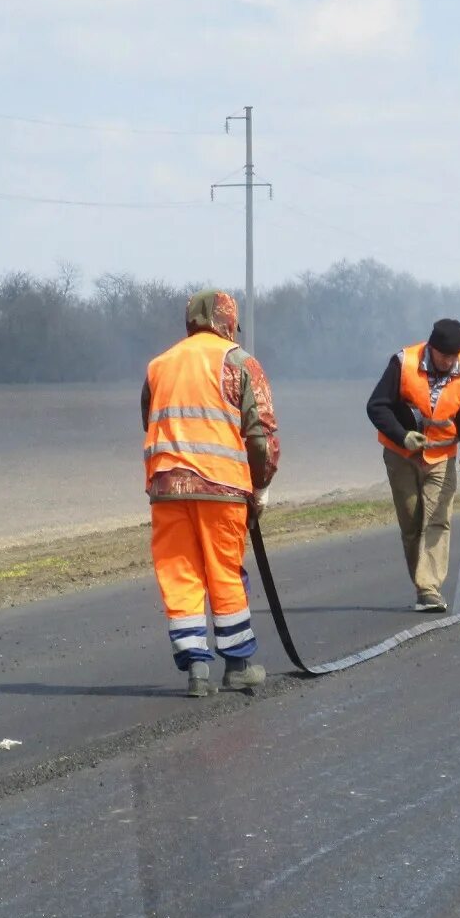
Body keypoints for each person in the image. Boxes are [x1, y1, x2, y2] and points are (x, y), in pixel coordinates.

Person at [140, 289, 280, 696]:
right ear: (228, 323)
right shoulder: (238, 361)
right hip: (223, 487)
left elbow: (149, 422)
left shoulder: (159, 365)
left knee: (179, 574)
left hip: (166, 487)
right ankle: (237, 666)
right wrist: (262, 482)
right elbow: (261, 436)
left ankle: (196, 671)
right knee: (224, 572)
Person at [367, 317, 460, 612]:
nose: (448, 361)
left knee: (437, 520)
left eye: (453, 356)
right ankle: (423, 583)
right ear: (431, 348)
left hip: (442, 458)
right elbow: (376, 405)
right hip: (401, 455)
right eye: (443, 355)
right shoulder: (403, 363)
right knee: (412, 521)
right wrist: (402, 435)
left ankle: (429, 589)